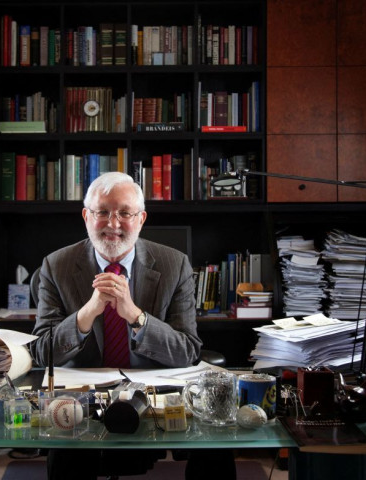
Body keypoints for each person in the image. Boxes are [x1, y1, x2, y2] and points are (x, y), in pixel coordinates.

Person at [31, 171, 236, 480]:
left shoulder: (174, 264)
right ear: (87, 216)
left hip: (157, 391)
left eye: (125, 213)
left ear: (141, 219)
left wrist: (135, 316)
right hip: (85, 396)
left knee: (215, 442)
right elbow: (41, 352)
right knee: (67, 443)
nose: (113, 224)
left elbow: (188, 350)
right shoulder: (56, 265)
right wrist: (87, 313)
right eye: (102, 212)